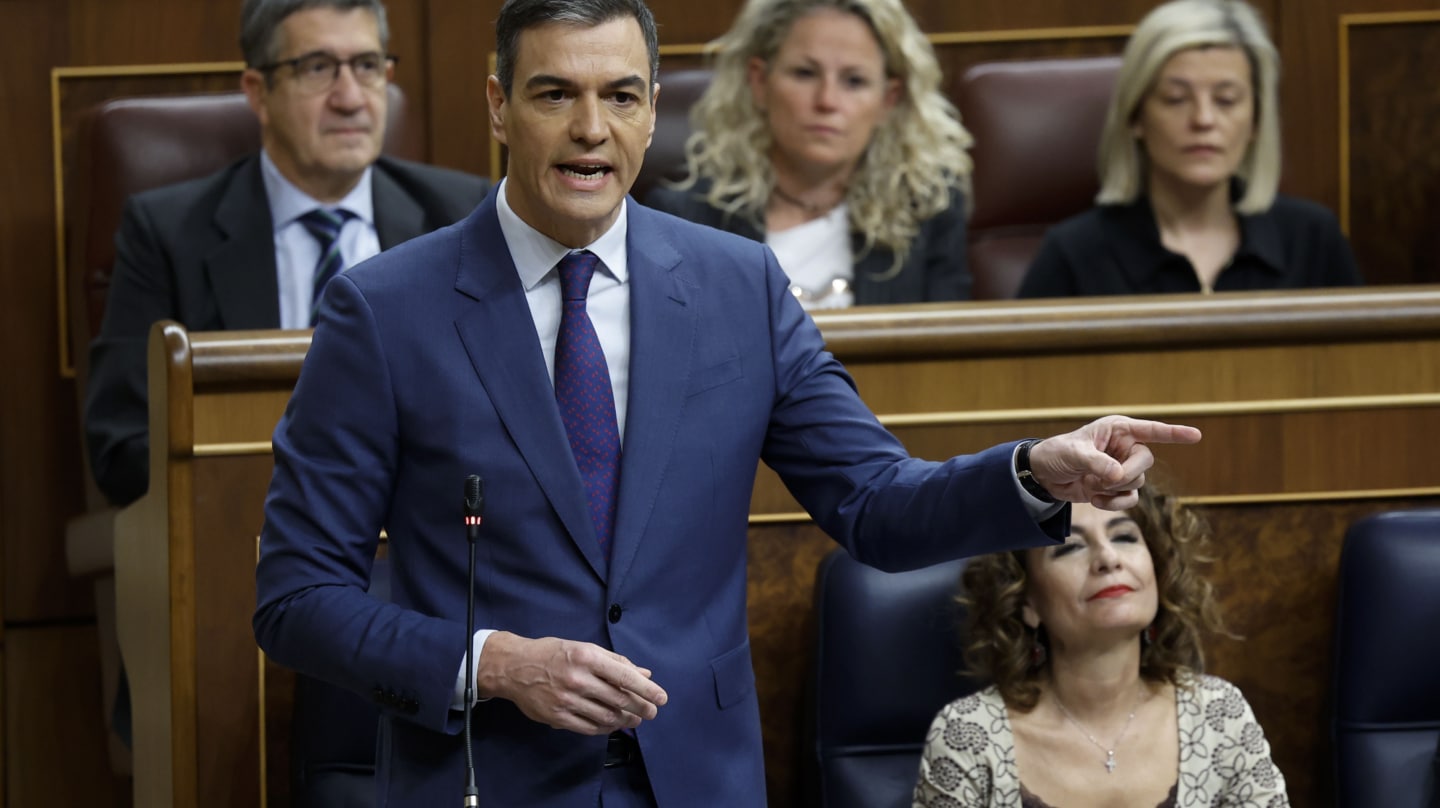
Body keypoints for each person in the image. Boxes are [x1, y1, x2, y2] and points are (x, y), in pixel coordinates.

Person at [251, 0, 1201, 804]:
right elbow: (297, 595)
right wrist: (494, 662)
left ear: (655, 110)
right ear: (499, 106)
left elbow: (874, 503)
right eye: (555, 94)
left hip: (696, 779)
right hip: (484, 773)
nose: (592, 129)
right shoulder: (383, 310)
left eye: (621, 96)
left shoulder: (737, 285)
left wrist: (1030, 471)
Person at [83, 0, 492, 508]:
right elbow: (121, 445)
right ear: (258, 93)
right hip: (244, 534)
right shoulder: (167, 235)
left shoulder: (463, 216)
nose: (350, 98)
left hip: (423, 540)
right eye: (317, 68)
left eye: (367, 66)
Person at [914, 484, 1289, 807]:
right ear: (1026, 601)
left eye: (1124, 537)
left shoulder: (1219, 716)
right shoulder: (967, 734)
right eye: (1070, 547)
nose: (1108, 559)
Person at [1017, 0, 1362, 299]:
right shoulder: (1075, 253)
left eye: (1226, 100)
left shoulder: (1313, 239)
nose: (1203, 119)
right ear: (1136, 116)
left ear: (1256, 121)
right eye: (1175, 99)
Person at [644, 0, 972, 309]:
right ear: (759, 81)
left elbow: (950, 359)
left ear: (888, 99)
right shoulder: (681, 218)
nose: (827, 100)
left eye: (854, 81)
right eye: (805, 73)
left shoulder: (928, 210)